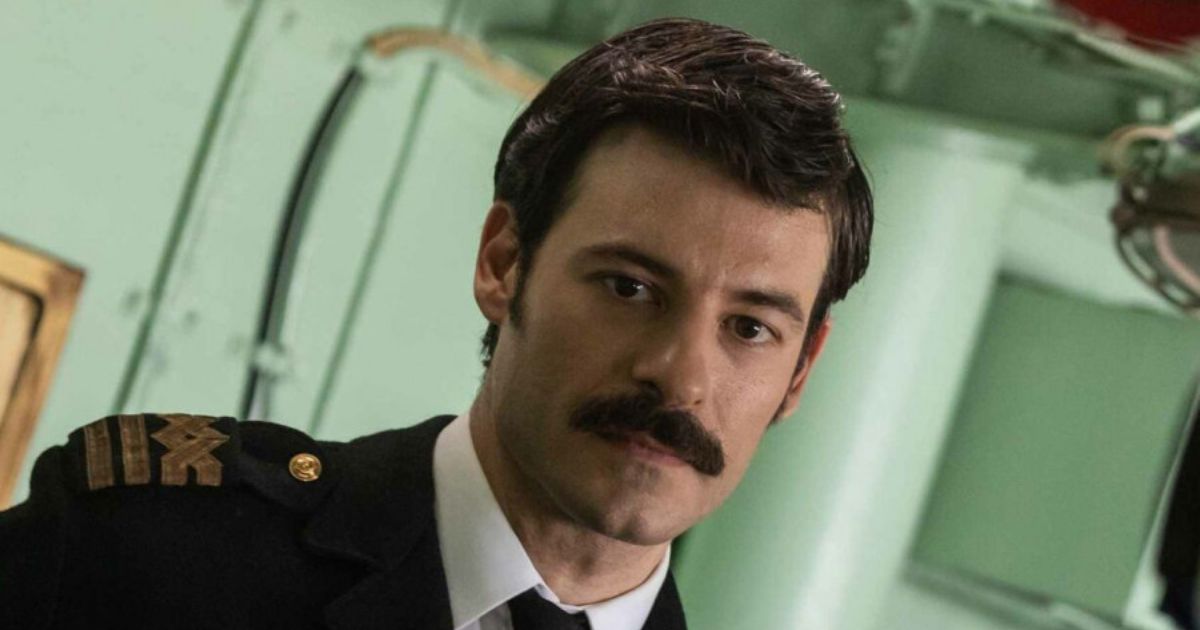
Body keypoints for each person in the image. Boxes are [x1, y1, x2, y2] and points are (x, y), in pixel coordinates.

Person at [0, 16, 873, 630]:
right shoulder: (147, 550)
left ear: (801, 372)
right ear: (504, 262)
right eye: (629, 287)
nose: (680, 376)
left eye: (750, 329)